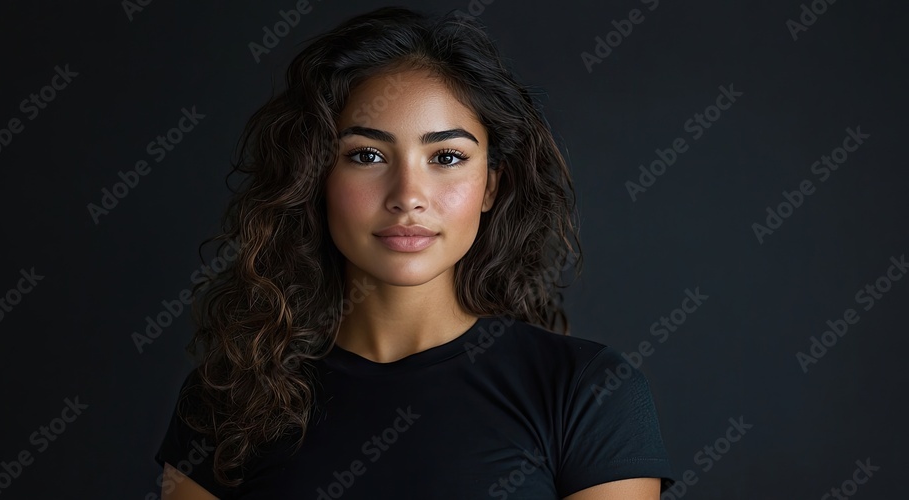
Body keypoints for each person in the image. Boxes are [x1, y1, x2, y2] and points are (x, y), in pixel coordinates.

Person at [154, 6, 675, 499]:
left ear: (491, 185)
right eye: (367, 155)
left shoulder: (589, 394)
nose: (407, 194)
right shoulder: (230, 397)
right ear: (317, 177)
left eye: (446, 156)